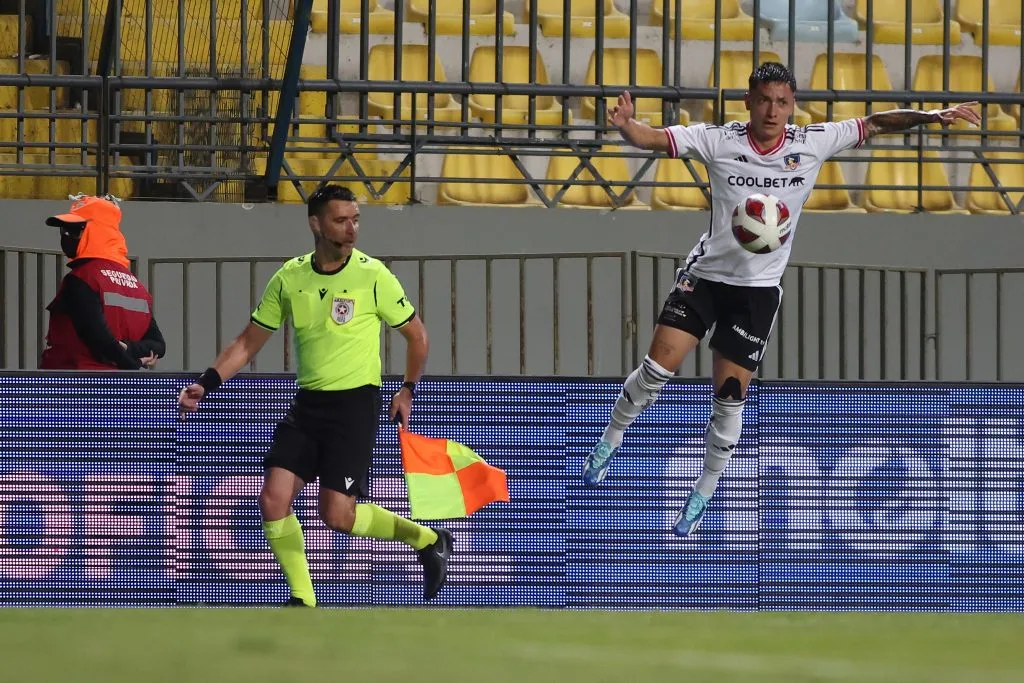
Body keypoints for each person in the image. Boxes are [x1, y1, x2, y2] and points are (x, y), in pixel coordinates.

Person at [583, 62, 980, 537]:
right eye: (765, 100)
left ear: (792, 105)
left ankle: (702, 492)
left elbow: (875, 123)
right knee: (656, 371)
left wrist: (934, 116)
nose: (773, 111)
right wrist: (627, 126)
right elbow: (656, 140)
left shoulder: (810, 142)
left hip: (756, 294)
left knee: (730, 399)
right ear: (748, 101)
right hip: (706, 278)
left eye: (783, 102)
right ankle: (610, 439)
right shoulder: (719, 139)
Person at [176, 184, 452, 606]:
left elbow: (417, 336)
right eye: (341, 220)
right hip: (308, 406)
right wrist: (208, 382)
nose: (352, 229)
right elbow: (248, 342)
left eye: (356, 219)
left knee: (336, 514)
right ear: (315, 224)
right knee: (273, 499)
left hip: (355, 405)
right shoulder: (290, 277)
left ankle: (427, 539)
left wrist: (407, 390)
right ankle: (304, 600)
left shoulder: (373, 274)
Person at [40, 194, 165, 370]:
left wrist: (132, 364)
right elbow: (158, 345)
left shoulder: (82, 279)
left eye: (74, 230)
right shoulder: (137, 286)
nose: (65, 236)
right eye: (64, 230)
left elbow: (99, 339)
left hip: (73, 384)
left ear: (98, 231)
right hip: (120, 388)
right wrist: (130, 350)